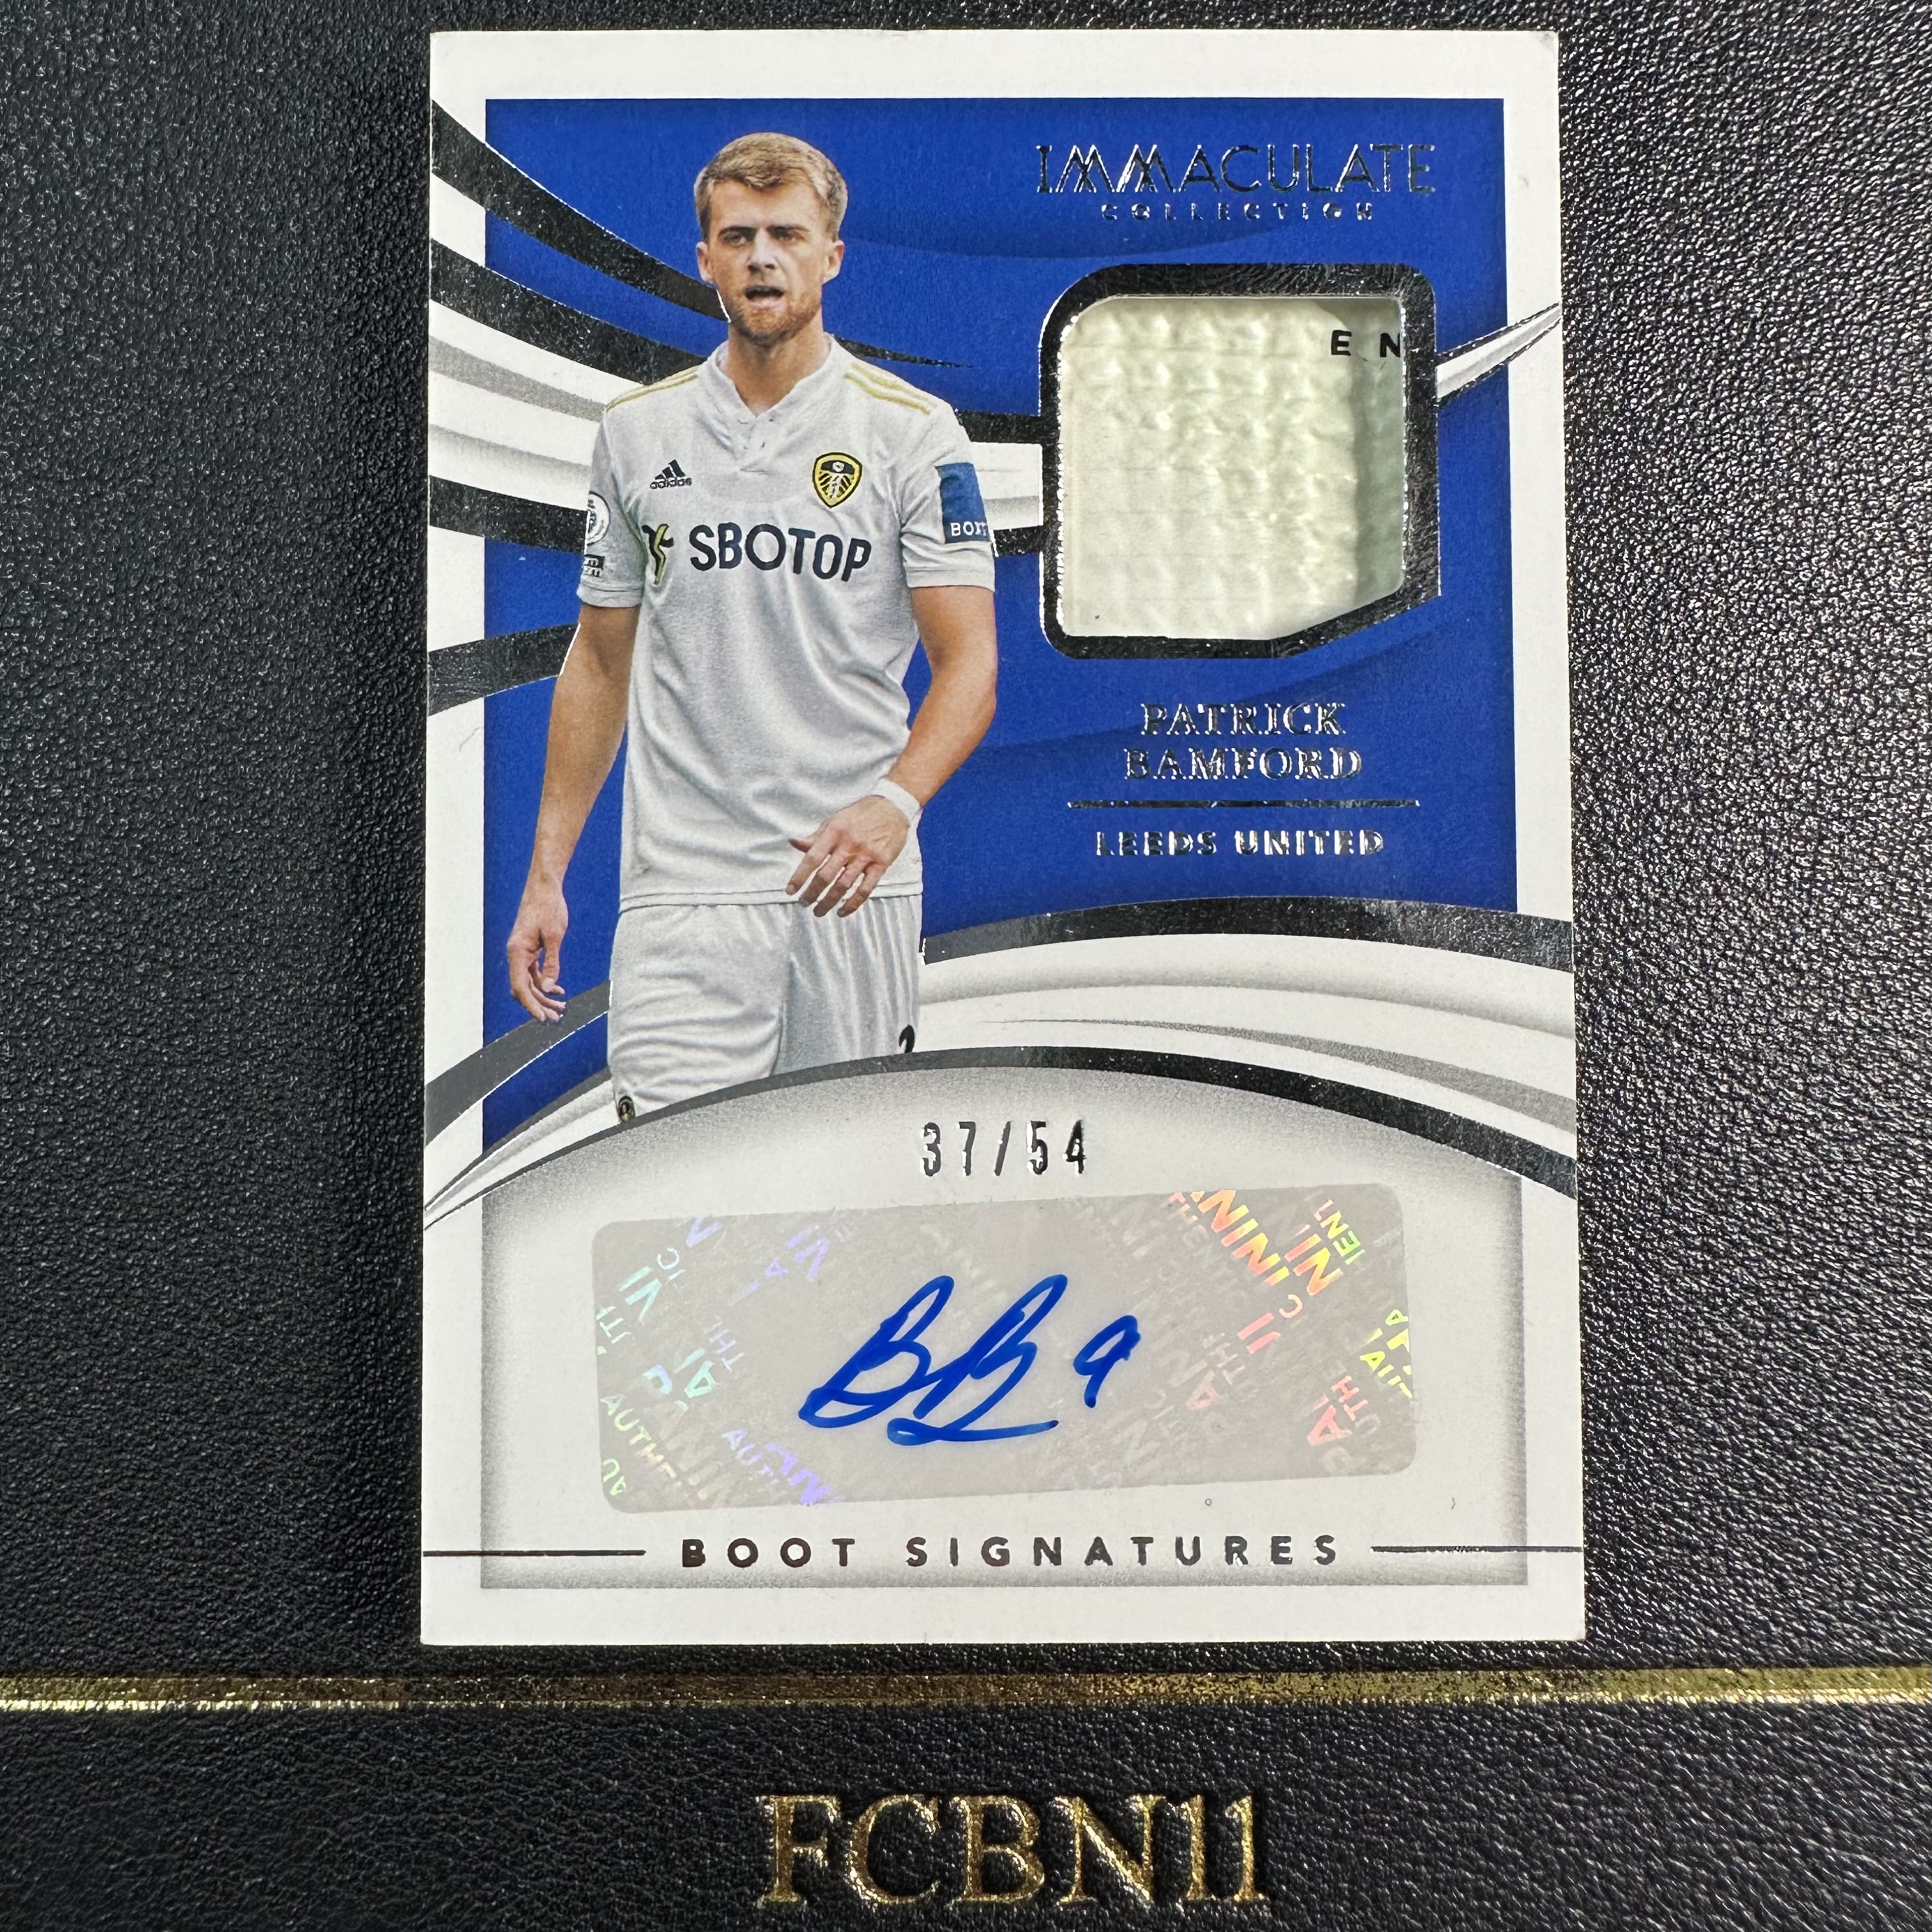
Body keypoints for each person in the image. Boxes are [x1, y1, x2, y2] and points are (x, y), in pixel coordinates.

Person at [505, 132, 999, 1118]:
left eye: (786, 235)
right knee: (671, 1188)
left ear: (832, 256)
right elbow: (599, 663)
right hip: (684, 896)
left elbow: (970, 663)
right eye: (738, 238)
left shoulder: (913, 433)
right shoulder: (635, 434)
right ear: (706, 259)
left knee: (841, 1181)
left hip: (850, 885)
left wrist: (894, 806)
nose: (761, 258)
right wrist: (546, 875)